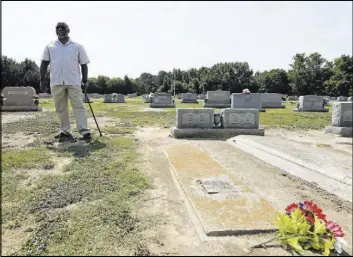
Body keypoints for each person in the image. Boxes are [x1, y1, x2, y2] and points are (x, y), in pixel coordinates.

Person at [40, 22, 92, 142]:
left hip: (74, 81)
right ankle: (65, 131)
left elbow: (84, 64)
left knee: (79, 106)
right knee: (60, 108)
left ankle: (84, 131)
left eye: (62, 28)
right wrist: (42, 80)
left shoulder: (77, 46)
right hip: (56, 81)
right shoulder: (50, 46)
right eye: (57, 28)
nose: (59, 29)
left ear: (68, 30)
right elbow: (44, 63)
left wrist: (85, 81)